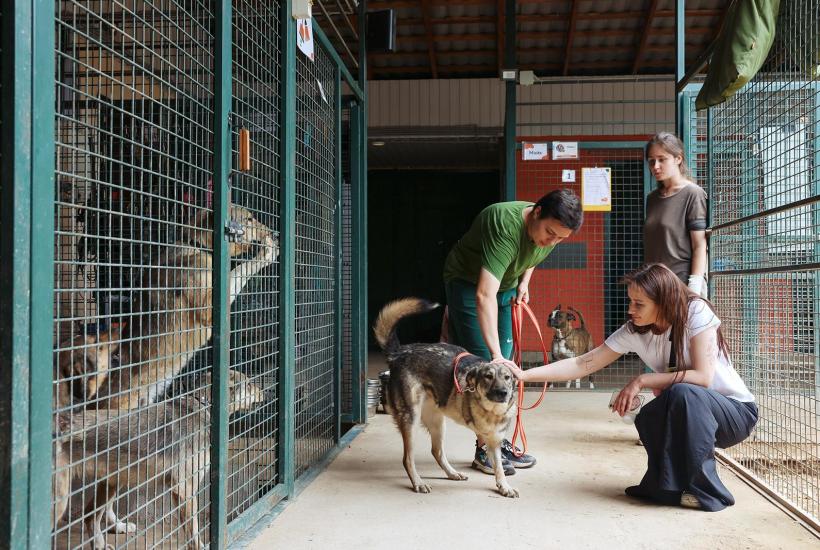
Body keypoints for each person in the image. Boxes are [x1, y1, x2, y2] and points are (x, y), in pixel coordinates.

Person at [510, 263, 757, 511]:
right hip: (694, 412)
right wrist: (523, 374)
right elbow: (582, 363)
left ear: (664, 301)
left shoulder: (695, 311)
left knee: (683, 393)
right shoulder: (634, 331)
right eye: (630, 301)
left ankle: (709, 494)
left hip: (734, 414)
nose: (631, 310)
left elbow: (702, 377)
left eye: (639, 304)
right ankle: (664, 488)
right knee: (649, 415)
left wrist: (641, 380)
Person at [443, 189, 584, 475]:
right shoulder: (504, 225)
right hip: (468, 283)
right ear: (536, 212)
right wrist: (494, 354)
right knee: (488, 363)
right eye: (551, 233)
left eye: (560, 238)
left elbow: (534, 253)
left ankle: (498, 441)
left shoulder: (550, 230)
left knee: (506, 361)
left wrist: (524, 282)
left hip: (506, 284)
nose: (553, 241)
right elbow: (484, 294)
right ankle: (485, 450)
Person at [644, 132, 709, 298]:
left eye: (662, 159)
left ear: (678, 159)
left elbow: (700, 245)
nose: (655, 166)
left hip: (681, 284)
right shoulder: (652, 198)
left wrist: (694, 287)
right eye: (651, 161)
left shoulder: (693, 193)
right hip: (655, 285)